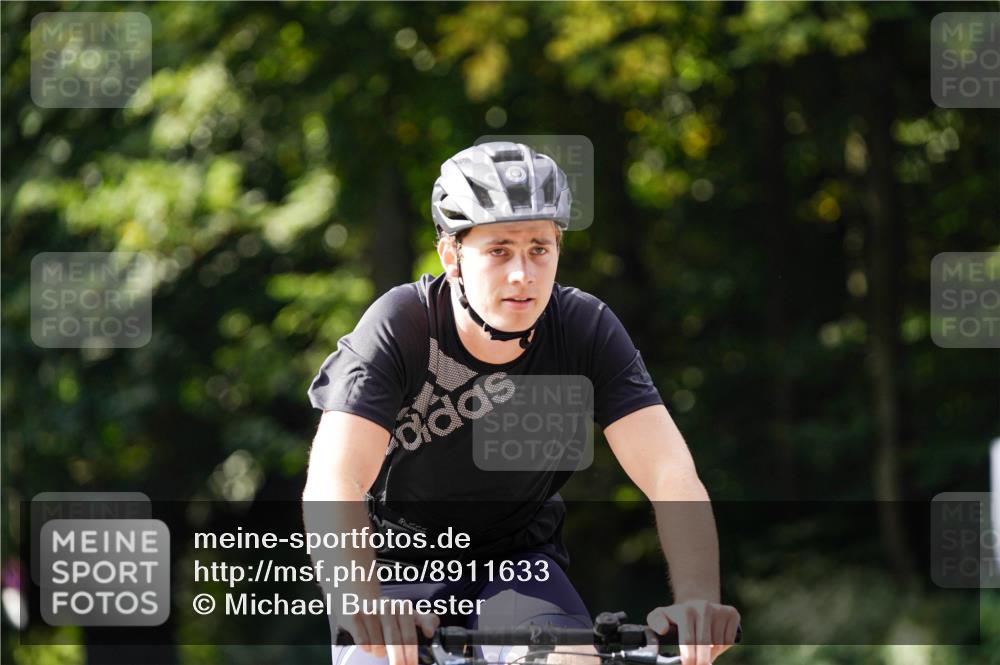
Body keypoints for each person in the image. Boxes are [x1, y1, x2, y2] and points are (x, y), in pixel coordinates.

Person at [303, 142, 740, 665]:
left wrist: (697, 598)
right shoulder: (400, 325)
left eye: (539, 249)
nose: (522, 274)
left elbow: (669, 472)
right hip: (396, 571)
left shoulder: (584, 328)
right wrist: (360, 603)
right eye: (498, 251)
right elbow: (335, 479)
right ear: (452, 256)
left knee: (570, 661)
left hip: (519, 566)